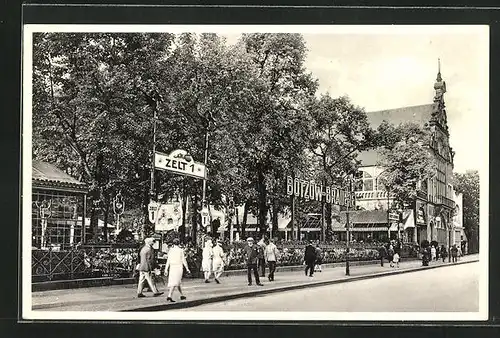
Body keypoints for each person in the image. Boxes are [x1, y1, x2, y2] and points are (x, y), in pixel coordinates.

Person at [164, 238, 191, 302]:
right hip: (178, 266)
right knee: (175, 281)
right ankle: (169, 296)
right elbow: (183, 260)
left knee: (177, 281)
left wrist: (166, 269)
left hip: (172, 266)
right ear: (179, 243)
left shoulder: (170, 250)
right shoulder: (180, 250)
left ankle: (181, 295)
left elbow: (168, 260)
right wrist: (187, 268)